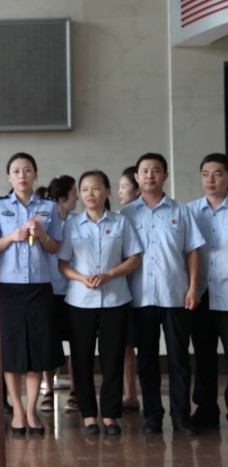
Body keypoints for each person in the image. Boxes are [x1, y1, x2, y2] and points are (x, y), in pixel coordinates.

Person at [119, 152, 204, 435]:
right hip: (140, 296)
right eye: (144, 171)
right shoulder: (126, 214)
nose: (150, 175)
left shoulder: (181, 211)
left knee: (179, 358)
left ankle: (180, 415)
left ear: (165, 175)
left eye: (156, 170)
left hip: (175, 294)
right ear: (137, 177)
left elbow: (193, 251)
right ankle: (153, 414)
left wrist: (193, 287)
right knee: (147, 359)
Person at [0, 152, 65, 436]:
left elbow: (56, 248)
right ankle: (17, 411)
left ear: (35, 174)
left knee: (38, 352)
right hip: (8, 288)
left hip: (40, 288)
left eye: (27, 170)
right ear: (9, 177)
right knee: (12, 352)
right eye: (17, 171)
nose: (22, 175)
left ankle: (32, 410)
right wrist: (11, 237)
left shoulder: (49, 207)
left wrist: (42, 236)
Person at [58, 170, 142, 435]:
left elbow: (134, 258)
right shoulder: (72, 225)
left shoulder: (120, 222)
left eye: (95, 188)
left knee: (113, 358)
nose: (90, 194)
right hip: (79, 301)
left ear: (107, 191)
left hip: (115, 299)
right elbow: (63, 264)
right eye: (84, 189)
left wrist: (110, 275)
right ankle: (88, 415)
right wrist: (81, 278)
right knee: (81, 359)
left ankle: (110, 415)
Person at [188, 153, 228, 427]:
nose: (210, 179)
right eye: (205, 174)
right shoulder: (189, 211)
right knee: (203, 355)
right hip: (200, 294)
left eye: (217, 173)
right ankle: (206, 410)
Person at [39, 175, 78, 414]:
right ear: (63, 197)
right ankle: (48, 390)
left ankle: (75, 390)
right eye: (74, 193)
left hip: (73, 291)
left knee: (76, 342)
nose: (77, 199)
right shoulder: (44, 219)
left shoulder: (77, 221)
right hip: (49, 289)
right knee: (49, 343)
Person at [117, 166, 142, 412]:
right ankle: (129, 392)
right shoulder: (121, 215)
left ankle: (132, 393)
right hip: (125, 290)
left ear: (137, 189)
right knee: (126, 345)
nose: (119, 192)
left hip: (146, 290)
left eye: (124, 187)